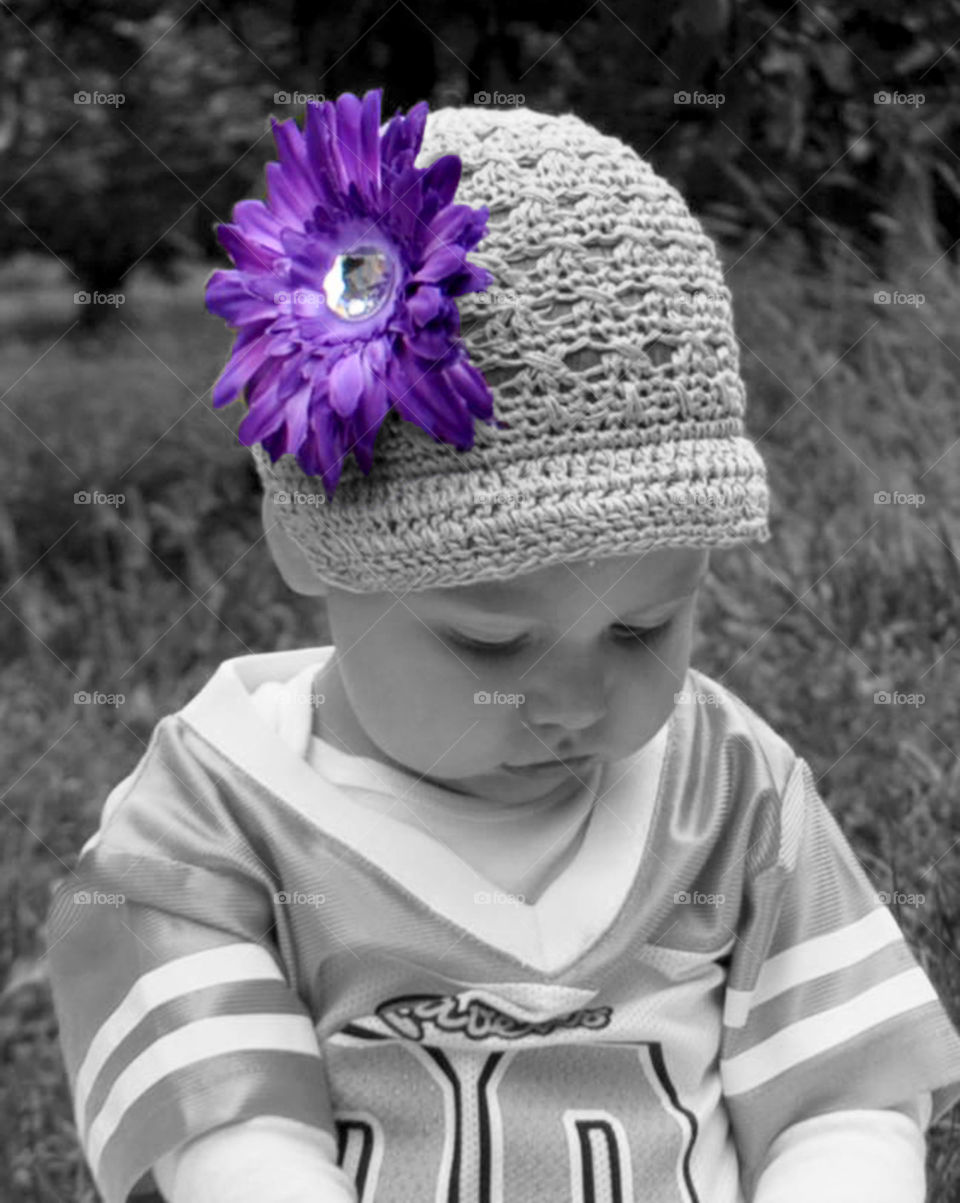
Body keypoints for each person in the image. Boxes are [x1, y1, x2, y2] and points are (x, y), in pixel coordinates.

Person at [44, 88, 960, 1203]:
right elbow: (234, 1146)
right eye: (488, 646)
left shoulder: (734, 795)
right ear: (310, 549)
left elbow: (844, 1098)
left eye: (643, 627)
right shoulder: (215, 819)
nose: (576, 703)